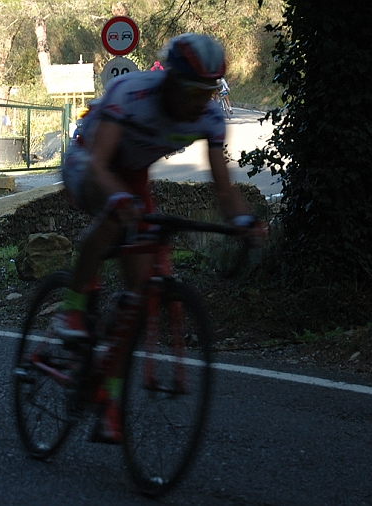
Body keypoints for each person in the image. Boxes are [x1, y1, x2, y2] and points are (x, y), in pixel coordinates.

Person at [54, 33, 262, 443]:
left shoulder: (209, 117)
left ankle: (108, 398)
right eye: (190, 90)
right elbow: (99, 163)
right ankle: (72, 309)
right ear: (169, 80)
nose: (198, 102)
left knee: (138, 296)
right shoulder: (130, 92)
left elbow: (224, 190)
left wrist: (243, 222)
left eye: (208, 92)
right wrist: (118, 199)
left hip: (133, 175)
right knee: (116, 213)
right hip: (89, 160)